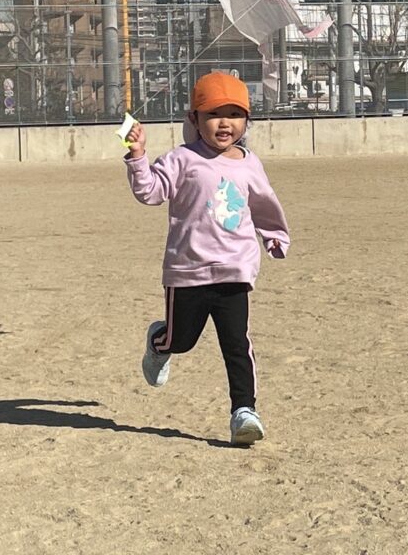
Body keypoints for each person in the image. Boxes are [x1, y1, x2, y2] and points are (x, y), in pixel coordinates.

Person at [123, 71, 289, 445]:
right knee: (181, 341)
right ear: (194, 120)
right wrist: (137, 157)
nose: (224, 123)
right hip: (187, 272)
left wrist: (274, 236)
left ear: (247, 120)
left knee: (236, 343)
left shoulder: (249, 164)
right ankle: (158, 343)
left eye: (235, 113)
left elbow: (264, 205)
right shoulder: (182, 159)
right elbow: (150, 192)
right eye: (213, 114)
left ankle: (243, 411)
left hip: (235, 269)